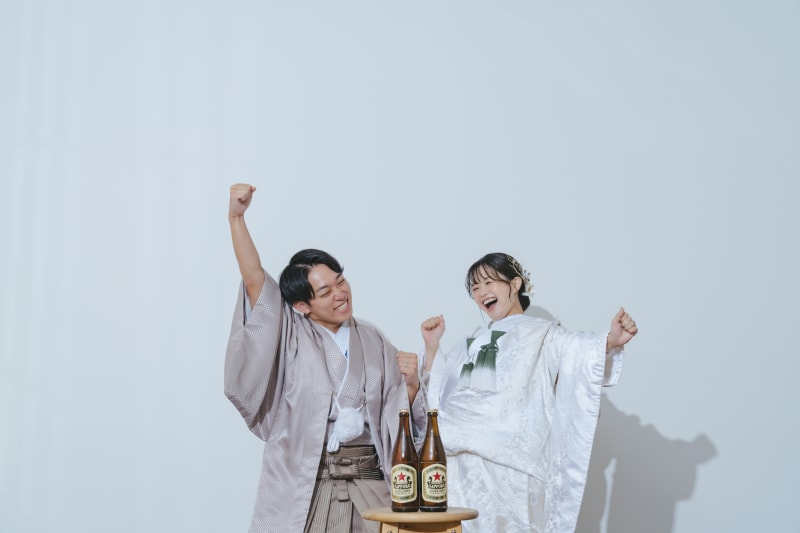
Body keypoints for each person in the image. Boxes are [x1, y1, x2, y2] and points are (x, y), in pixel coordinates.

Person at [225, 183, 425, 533]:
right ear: (302, 306)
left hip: (370, 483)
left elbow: (397, 411)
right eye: (325, 291)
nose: (340, 294)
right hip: (307, 483)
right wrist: (236, 218)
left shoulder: (373, 339)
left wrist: (411, 386)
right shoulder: (289, 335)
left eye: (340, 280)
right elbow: (255, 280)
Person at [418, 252, 638, 533]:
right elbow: (440, 393)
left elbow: (576, 350)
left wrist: (610, 341)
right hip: (461, 467)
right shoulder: (471, 341)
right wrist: (432, 346)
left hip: (514, 464)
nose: (482, 292)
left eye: (489, 282)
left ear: (515, 284)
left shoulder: (543, 334)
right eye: (475, 287)